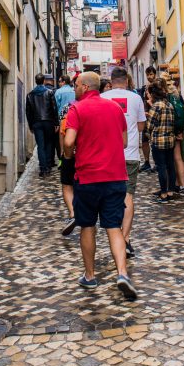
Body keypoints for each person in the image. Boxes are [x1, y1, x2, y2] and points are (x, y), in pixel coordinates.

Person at [64, 72, 138, 299]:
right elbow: (124, 142)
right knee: (114, 227)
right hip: (115, 177)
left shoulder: (77, 109)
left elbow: (69, 141)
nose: (75, 88)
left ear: (85, 87)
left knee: (87, 226)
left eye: (77, 85)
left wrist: (69, 155)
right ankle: (122, 274)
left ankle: (89, 276)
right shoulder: (115, 108)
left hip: (88, 177)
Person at [100, 67, 147, 258]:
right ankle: (125, 238)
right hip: (130, 154)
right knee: (128, 195)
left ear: (111, 82)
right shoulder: (136, 98)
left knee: (109, 196)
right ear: (126, 81)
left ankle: (115, 237)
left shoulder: (102, 98)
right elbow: (141, 126)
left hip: (107, 155)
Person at [145, 80, 177, 203]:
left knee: (161, 167)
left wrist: (148, 133)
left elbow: (149, 126)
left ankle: (163, 194)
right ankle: (170, 191)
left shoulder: (156, 106)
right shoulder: (169, 104)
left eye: (149, 93)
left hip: (158, 141)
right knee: (170, 166)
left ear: (153, 94)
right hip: (170, 140)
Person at [25, 73, 59, 178]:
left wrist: (30, 125)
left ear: (36, 81)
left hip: (36, 122)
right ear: (44, 81)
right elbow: (54, 108)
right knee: (49, 143)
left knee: (40, 145)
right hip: (48, 121)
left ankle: (43, 168)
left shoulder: (30, 95)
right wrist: (56, 123)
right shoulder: (49, 92)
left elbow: (28, 112)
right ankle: (48, 166)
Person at [58, 102, 77, 236]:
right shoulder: (99, 106)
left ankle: (73, 212)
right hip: (89, 154)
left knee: (67, 185)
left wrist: (64, 154)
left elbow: (63, 134)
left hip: (71, 153)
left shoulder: (68, 108)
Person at [137, 65, 157, 172]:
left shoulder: (158, 87)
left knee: (154, 141)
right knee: (144, 140)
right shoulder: (144, 88)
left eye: (151, 74)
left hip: (155, 117)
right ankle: (146, 162)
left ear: (155, 74)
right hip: (145, 117)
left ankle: (157, 163)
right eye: (147, 74)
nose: (149, 76)